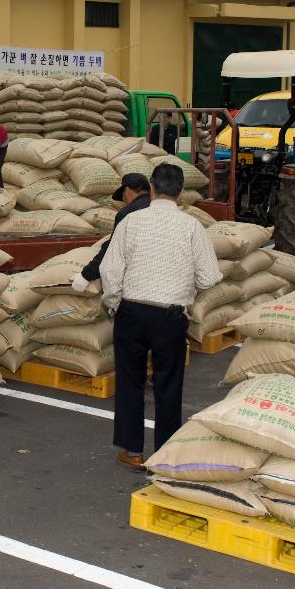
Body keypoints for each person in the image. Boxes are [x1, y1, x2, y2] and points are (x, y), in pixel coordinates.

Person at [99, 163, 223, 471]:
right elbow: (209, 277)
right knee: (169, 384)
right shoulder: (192, 226)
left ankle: (132, 451)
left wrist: (114, 303)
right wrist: (185, 286)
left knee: (130, 382)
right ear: (181, 193)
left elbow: (110, 270)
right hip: (170, 315)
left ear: (152, 188)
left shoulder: (131, 221)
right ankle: (166, 453)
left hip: (132, 310)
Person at [72, 173, 152, 289]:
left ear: (127, 190)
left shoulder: (128, 213)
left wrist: (85, 276)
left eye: (123, 196)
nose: (124, 201)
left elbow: (111, 249)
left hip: (138, 280)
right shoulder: (162, 208)